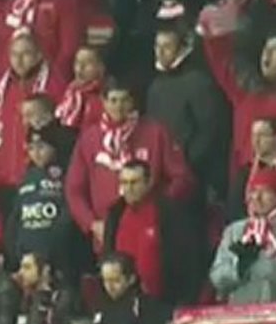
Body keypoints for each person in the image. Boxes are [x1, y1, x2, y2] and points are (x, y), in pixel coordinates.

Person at [66, 82, 195, 253]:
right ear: (103, 102)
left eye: (124, 100)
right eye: (113, 100)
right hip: (107, 231)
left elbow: (182, 177)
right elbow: (74, 189)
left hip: (150, 230)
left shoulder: (155, 132)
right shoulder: (89, 138)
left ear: (133, 102)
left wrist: (159, 209)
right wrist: (92, 223)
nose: (118, 107)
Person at [0, 38, 68, 203]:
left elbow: (64, 132)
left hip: (40, 177)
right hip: (2, 179)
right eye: (14, 54)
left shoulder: (55, 85)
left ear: (38, 55)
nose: (18, 60)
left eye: (25, 54)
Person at [102, 160, 205, 307]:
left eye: (134, 182)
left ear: (149, 183)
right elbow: (107, 257)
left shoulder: (170, 213)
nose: (128, 189)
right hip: (121, 305)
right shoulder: (115, 215)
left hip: (162, 304)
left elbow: (187, 261)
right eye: (124, 183)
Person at [147, 23, 231, 201]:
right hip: (163, 174)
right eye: (157, 46)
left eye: (167, 46)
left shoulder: (198, 83)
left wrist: (185, 163)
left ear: (182, 48)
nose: (160, 52)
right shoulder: (155, 86)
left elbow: (210, 130)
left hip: (195, 175)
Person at [210, 169, 276, 316]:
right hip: (237, 317)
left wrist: (258, 264)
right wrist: (239, 269)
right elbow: (216, 277)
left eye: (265, 191)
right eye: (253, 191)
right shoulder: (234, 231)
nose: (257, 197)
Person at [7, 126, 80, 280]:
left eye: (41, 147)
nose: (36, 153)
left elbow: (68, 214)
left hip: (59, 257)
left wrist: (56, 244)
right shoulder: (26, 176)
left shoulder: (67, 174)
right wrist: (14, 250)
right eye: (31, 148)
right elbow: (15, 216)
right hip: (27, 256)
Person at [53, 46, 106, 131]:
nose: (80, 68)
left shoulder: (104, 97)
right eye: (77, 62)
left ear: (101, 67)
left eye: (87, 63)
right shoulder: (70, 92)